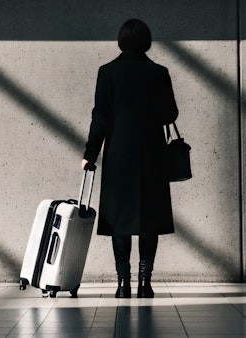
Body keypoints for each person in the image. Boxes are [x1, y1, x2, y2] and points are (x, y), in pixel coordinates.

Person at [82, 18, 179, 298]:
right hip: (152, 154)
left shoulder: (108, 72)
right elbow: (170, 114)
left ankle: (123, 284)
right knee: (150, 220)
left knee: (120, 222)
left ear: (121, 41)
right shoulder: (159, 72)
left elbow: (100, 117)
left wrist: (91, 154)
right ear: (146, 41)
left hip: (118, 156)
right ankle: (145, 284)